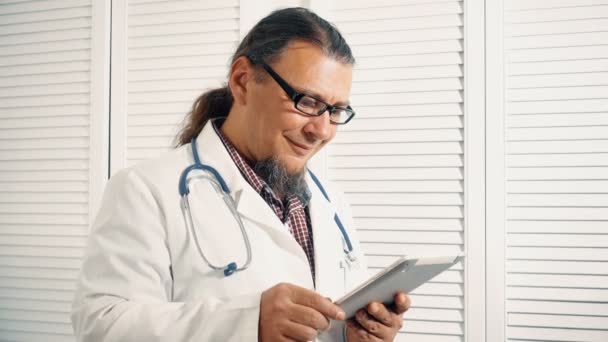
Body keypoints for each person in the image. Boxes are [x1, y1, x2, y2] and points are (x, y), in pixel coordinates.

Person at [72, 7, 410, 342]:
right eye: (307, 101)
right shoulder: (145, 190)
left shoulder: (331, 201)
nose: (322, 130)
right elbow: (101, 325)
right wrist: (247, 323)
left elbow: (328, 320)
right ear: (243, 81)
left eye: (336, 110)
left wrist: (353, 332)